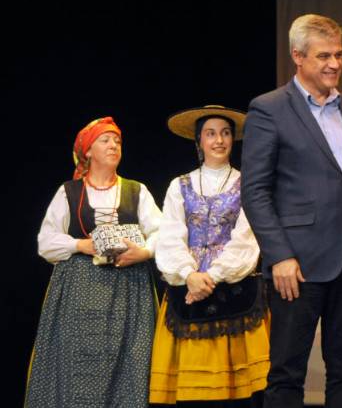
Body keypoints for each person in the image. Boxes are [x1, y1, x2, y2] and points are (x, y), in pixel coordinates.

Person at [241, 14, 342, 408]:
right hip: (296, 264)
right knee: (287, 372)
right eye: (323, 56)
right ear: (298, 56)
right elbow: (255, 191)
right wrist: (279, 255)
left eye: (339, 55)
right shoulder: (269, 109)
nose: (334, 64)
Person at [26, 117, 162, 407]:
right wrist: (81, 244)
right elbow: (46, 241)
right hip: (79, 291)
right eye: (105, 140)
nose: (114, 145)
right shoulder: (70, 192)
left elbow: (163, 234)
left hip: (129, 290)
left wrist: (144, 252)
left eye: (118, 141)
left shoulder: (136, 191)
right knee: (76, 362)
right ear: (87, 151)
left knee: (132, 363)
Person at [150, 105, 270, 407]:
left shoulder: (247, 184)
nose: (219, 140)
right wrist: (189, 275)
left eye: (225, 133)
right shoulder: (179, 185)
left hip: (236, 289)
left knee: (239, 395)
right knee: (194, 395)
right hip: (186, 291)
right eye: (211, 133)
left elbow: (246, 237)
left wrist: (211, 277)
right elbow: (170, 235)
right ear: (199, 141)